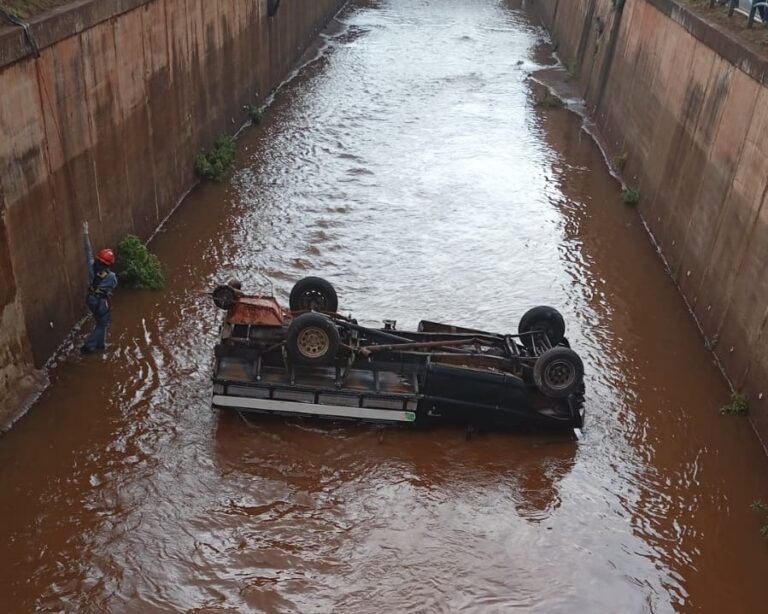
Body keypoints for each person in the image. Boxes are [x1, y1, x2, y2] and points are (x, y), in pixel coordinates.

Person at [81, 221, 117, 353]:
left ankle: (100, 345)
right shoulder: (111, 277)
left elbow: (88, 252)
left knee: (100, 321)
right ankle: (89, 345)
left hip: (90, 299)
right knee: (102, 324)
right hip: (100, 302)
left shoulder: (92, 267)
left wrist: (86, 234)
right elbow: (113, 286)